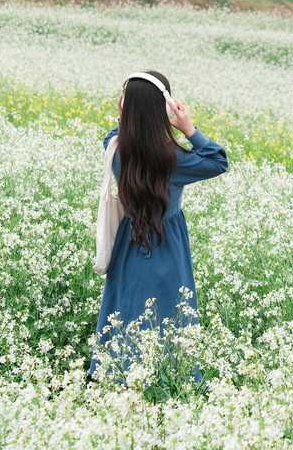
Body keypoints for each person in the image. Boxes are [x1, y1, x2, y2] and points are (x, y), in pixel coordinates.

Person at [90, 70, 228, 379]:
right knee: (169, 311)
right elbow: (218, 160)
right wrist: (189, 129)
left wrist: (124, 117)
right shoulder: (175, 160)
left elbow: (110, 135)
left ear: (125, 107)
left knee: (126, 307)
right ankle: (170, 378)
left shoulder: (115, 148)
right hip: (167, 243)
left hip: (128, 241)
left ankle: (119, 375)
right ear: (164, 109)